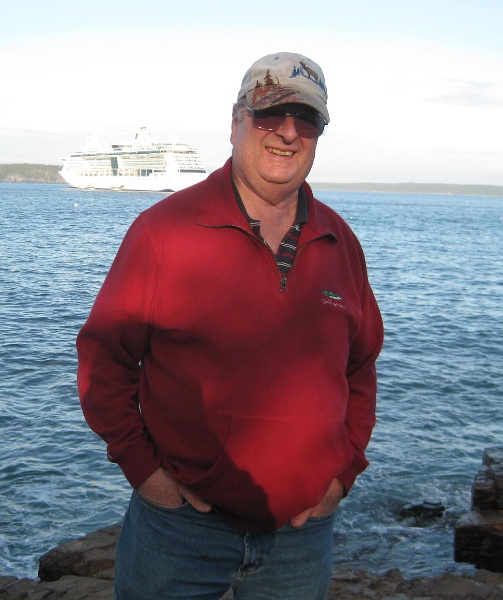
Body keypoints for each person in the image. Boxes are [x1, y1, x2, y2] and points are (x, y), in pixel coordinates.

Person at [77, 51, 384, 600]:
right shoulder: (164, 231)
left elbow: (360, 369)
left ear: (319, 134)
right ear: (237, 121)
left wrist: (343, 475)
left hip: (301, 539)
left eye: (306, 119)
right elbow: (104, 361)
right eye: (270, 114)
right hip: (178, 532)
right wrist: (147, 474)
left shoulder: (342, 243)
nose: (287, 132)